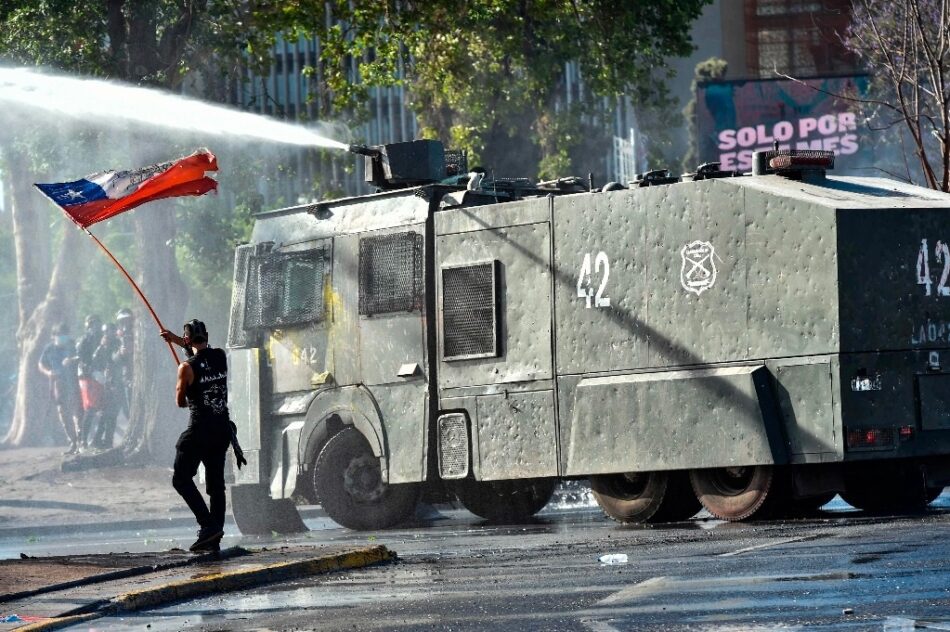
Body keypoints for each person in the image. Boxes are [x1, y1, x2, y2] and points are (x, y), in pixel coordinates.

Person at [161, 319, 245, 553]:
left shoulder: (185, 368)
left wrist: (188, 390)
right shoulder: (220, 356)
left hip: (199, 431)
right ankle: (214, 535)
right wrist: (176, 340)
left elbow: (180, 402)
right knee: (216, 486)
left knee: (181, 479)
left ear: (187, 339)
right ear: (207, 335)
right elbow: (200, 353)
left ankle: (207, 525)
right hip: (221, 430)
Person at [38, 324, 82, 454]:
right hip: (59, 383)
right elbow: (41, 364)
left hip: (75, 382)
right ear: (53, 336)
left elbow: (83, 357)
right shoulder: (49, 349)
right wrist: (48, 372)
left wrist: (72, 359)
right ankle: (73, 442)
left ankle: (81, 442)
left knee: (77, 413)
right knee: (63, 414)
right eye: (60, 335)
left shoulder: (74, 345)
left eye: (65, 334)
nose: (63, 337)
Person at [76, 314, 104, 448]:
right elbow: (82, 359)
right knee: (91, 408)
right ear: (88, 326)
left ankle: (98, 438)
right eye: (92, 324)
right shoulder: (83, 341)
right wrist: (90, 369)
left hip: (102, 375)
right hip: (88, 377)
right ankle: (83, 440)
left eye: (97, 323)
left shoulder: (103, 338)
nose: (95, 326)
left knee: (106, 407)